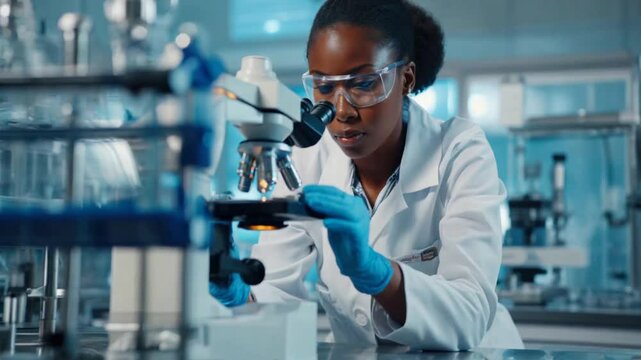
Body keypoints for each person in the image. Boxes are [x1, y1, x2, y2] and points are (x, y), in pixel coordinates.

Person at [210, 0, 524, 351]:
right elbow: (274, 298)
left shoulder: (459, 151)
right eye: (324, 88)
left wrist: (376, 272)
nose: (341, 111)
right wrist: (236, 291)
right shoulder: (303, 159)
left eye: (363, 84)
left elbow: (468, 315)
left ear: (405, 79)